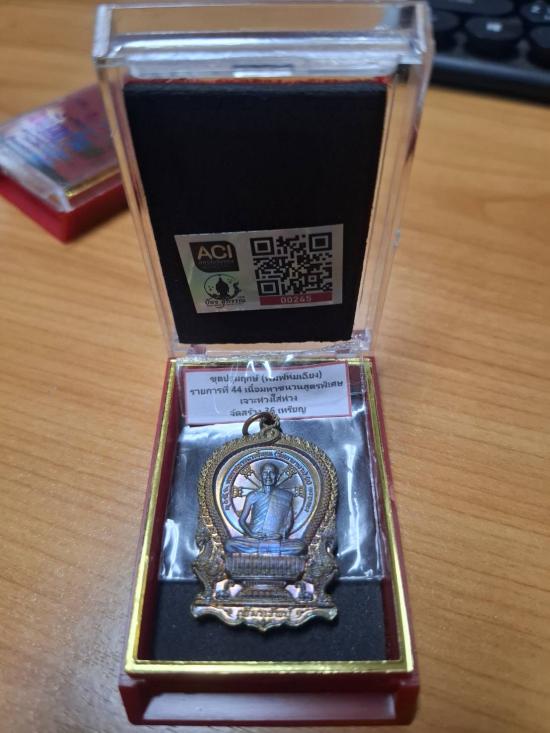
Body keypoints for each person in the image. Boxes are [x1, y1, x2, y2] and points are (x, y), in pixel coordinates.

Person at [225, 463, 305, 555]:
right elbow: (242, 521)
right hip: (254, 540)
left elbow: (288, 522)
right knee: (229, 544)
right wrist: (251, 534)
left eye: (271, 473)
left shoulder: (286, 496)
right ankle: (269, 550)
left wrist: (281, 534)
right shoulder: (252, 496)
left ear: (277, 476)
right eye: (265, 473)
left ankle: (261, 550)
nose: (268, 476)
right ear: (260, 476)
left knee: (300, 547)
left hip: (275, 540)